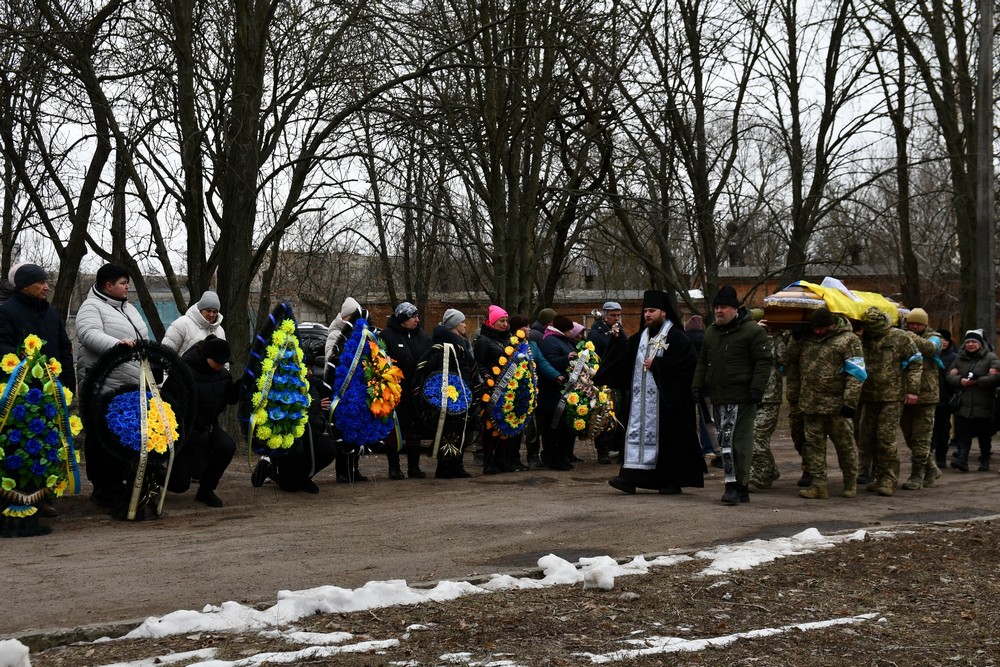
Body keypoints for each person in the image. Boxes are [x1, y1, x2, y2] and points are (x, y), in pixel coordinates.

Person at [598, 289, 705, 494]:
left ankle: (670, 481)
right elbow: (624, 360)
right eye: (646, 311)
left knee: (668, 442)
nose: (647, 315)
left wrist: (659, 364)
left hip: (667, 402)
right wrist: (618, 341)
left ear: (664, 313)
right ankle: (629, 478)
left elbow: (688, 365)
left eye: (652, 311)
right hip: (641, 402)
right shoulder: (640, 338)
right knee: (636, 436)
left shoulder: (677, 337)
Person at [0, 262, 77, 518]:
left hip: (51, 393)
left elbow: (64, 348)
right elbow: (3, 348)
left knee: (48, 447)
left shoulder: (51, 313)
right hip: (19, 395)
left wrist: (68, 382)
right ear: (24, 286)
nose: (46, 287)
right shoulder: (6, 312)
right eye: (41, 282)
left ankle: (44, 497)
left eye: (47, 282)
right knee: (20, 446)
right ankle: (15, 497)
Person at [75, 263, 150, 507]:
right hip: (103, 383)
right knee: (101, 438)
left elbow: (142, 337)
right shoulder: (91, 306)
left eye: (127, 282)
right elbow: (88, 333)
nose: (127, 286)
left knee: (121, 435)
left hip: (128, 383)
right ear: (108, 285)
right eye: (122, 283)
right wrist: (116, 346)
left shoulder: (129, 308)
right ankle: (103, 489)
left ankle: (120, 484)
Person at [692, 285, 772, 505]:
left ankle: (738, 486)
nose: (719, 311)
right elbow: (702, 362)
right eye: (716, 307)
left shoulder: (752, 332)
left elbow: (764, 362)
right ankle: (734, 486)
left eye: (724, 307)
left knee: (739, 443)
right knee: (724, 442)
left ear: (735, 309)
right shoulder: (711, 332)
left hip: (743, 397)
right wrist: (697, 386)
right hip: (719, 396)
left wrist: (757, 389)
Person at [794, 308, 865, 499]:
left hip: (837, 407)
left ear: (832, 324)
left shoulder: (849, 340)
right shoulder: (807, 339)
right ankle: (819, 485)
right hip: (811, 404)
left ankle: (850, 483)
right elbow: (790, 359)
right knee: (814, 447)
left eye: (822, 328)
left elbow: (856, 373)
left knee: (845, 447)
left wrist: (850, 402)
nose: (818, 332)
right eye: (815, 328)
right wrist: (795, 338)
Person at [251, 334, 336, 493]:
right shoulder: (281, 385)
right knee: (290, 486)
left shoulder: (310, 386)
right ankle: (269, 469)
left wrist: (312, 423)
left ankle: (304, 477)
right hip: (289, 438)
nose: (309, 372)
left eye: (310, 369)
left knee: (328, 449)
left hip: (309, 433)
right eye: (306, 368)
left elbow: (317, 413)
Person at [163, 336, 238, 507]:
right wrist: (190, 419)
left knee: (227, 445)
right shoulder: (184, 371)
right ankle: (151, 474)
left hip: (207, 428)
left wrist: (242, 386)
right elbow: (168, 398)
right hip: (184, 431)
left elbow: (231, 398)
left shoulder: (223, 375)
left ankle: (206, 490)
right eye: (218, 362)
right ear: (207, 357)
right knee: (179, 484)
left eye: (224, 362)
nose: (221, 365)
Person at [855, 306, 921, 496]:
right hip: (868, 396)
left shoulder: (899, 337)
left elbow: (915, 362)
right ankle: (878, 476)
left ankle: (888, 480)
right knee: (866, 438)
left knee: (885, 438)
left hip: (891, 397)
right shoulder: (862, 337)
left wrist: (913, 390)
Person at [413, 309, 479, 479]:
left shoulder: (462, 343)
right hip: (448, 396)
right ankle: (444, 467)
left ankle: (457, 465)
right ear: (454, 325)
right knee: (447, 431)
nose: (465, 324)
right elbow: (429, 368)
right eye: (462, 321)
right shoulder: (442, 346)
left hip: (463, 394)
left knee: (461, 431)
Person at [379, 302, 432, 479]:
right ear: (402, 318)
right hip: (394, 391)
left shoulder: (423, 337)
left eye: (417, 316)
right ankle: (394, 467)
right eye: (413, 316)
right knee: (394, 429)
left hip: (417, 391)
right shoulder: (386, 335)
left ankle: (414, 467)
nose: (417, 320)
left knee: (415, 429)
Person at [323, 296, 369, 484]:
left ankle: (354, 467)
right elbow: (330, 362)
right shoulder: (336, 335)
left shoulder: (360, 334)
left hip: (356, 387)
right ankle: (342, 470)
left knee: (356, 428)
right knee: (343, 428)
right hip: (341, 386)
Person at [899, 308, 945, 489]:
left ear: (925, 324)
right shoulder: (902, 336)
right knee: (909, 437)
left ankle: (917, 475)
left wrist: (908, 335)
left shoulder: (935, 337)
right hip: (905, 394)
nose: (914, 326)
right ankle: (931, 468)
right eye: (911, 323)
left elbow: (930, 349)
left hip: (926, 395)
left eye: (918, 323)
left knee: (921, 438)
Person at [945, 330, 1000, 472]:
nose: (970, 344)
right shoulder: (959, 358)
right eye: (968, 342)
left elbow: (996, 377)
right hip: (963, 403)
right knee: (964, 433)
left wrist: (978, 380)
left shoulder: (990, 357)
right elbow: (949, 376)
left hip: (984, 404)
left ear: (980, 344)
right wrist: (960, 380)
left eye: (974, 342)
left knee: (984, 435)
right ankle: (962, 459)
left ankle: (985, 460)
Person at [748, 313, 786, 492]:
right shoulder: (749, 338)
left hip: (770, 397)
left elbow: (784, 360)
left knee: (757, 436)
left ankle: (757, 478)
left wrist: (775, 336)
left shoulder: (775, 339)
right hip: (751, 395)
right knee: (755, 437)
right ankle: (771, 470)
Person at [537, 314, 580, 471]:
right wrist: (566, 358)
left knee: (562, 429)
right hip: (552, 392)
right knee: (552, 428)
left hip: (563, 391)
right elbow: (548, 363)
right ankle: (553, 458)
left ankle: (562, 457)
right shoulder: (550, 342)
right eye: (570, 330)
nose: (572, 333)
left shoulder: (562, 341)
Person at [526, 309, 563, 468]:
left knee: (538, 423)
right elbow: (541, 361)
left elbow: (541, 362)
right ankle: (532, 455)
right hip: (534, 386)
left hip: (539, 384)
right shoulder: (536, 336)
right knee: (534, 424)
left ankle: (536, 454)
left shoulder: (535, 338)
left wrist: (555, 375)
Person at [684, 315, 715, 458]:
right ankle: (709, 448)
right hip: (706, 386)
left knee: (688, 417)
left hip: (687, 384)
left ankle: (691, 448)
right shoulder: (707, 338)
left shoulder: (684, 339)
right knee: (707, 418)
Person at [161, 290, 226, 356]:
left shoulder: (220, 331)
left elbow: (224, 358)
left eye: (214, 312)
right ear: (201, 310)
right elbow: (165, 353)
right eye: (208, 311)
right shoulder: (182, 324)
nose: (211, 314)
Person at [930, 328, 958, 471]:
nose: (944, 343)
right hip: (930, 398)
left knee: (943, 430)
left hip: (945, 399)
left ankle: (941, 457)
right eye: (941, 340)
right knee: (929, 430)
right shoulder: (929, 355)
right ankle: (927, 458)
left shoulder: (954, 358)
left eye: (946, 340)